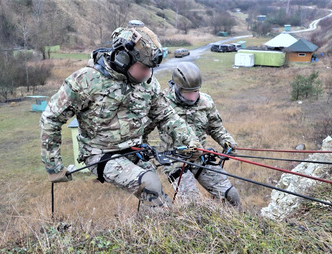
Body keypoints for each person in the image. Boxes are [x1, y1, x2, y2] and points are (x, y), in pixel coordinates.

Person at [40, 23, 202, 208]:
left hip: (135, 151)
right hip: (100, 154)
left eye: (151, 68)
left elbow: (166, 115)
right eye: (143, 67)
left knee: (159, 201)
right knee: (150, 185)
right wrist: (53, 166)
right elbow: (51, 117)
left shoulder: (148, 83)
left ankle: (152, 232)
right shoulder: (85, 81)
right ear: (123, 59)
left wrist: (191, 140)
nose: (148, 73)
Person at [143, 62, 241, 207]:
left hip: (201, 157)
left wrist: (226, 141)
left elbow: (215, 127)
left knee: (232, 196)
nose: (192, 96)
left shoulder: (206, 102)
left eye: (195, 91)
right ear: (176, 87)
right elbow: (143, 129)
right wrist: (145, 152)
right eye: (187, 92)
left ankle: (236, 226)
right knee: (193, 204)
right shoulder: (162, 103)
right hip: (174, 161)